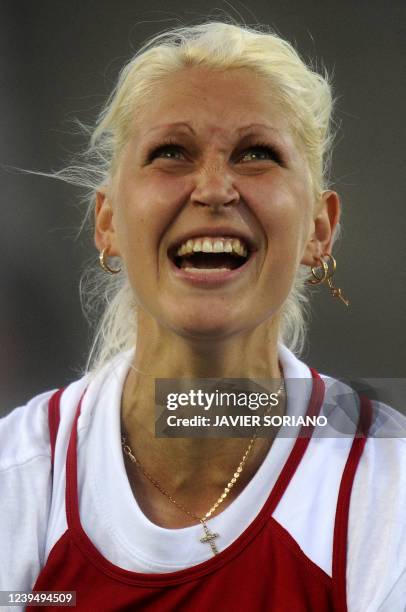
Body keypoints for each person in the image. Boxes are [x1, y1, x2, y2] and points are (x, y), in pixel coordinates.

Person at [1, 21, 405, 612]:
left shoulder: (388, 483)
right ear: (108, 222)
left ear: (320, 229)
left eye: (257, 155)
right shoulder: (17, 480)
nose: (215, 188)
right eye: (171, 153)